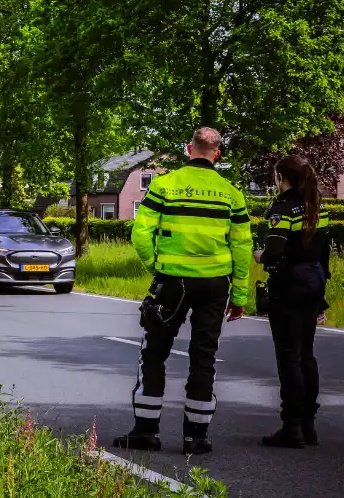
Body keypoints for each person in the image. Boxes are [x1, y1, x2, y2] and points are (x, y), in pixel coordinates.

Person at [113, 127, 251, 456]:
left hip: (172, 282)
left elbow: (140, 235)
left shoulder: (164, 185)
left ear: (190, 148)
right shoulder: (232, 193)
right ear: (217, 153)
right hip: (216, 285)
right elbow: (242, 247)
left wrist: (156, 268)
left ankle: (146, 431)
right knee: (203, 358)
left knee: (155, 352)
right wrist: (241, 295)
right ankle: (195, 438)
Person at [257, 155, 331, 449]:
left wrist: (260, 256)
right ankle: (309, 425)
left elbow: (274, 251)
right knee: (306, 355)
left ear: (280, 178)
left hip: (289, 284)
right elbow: (324, 250)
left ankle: (292, 427)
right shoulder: (316, 206)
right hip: (314, 281)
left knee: (288, 356)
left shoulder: (283, 208)